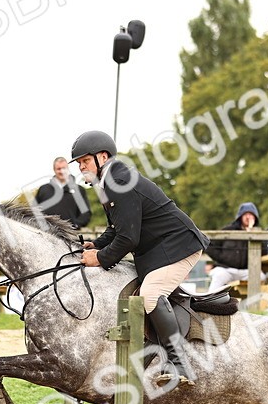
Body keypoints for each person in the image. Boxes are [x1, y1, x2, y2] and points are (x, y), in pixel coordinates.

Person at [72, 130, 209, 387]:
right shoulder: (109, 182)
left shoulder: (119, 181)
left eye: (85, 161)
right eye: (79, 163)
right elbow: (117, 229)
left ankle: (180, 365)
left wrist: (100, 258)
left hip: (179, 246)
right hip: (159, 249)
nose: (81, 167)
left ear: (103, 156)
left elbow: (128, 240)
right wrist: (96, 244)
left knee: (150, 295)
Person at [206, 202, 260, 293]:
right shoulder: (228, 230)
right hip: (226, 269)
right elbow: (209, 245)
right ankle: (207, 304)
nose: (248, 217)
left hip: (247, 271)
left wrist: (251, 232)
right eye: (246, 214)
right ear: (240, 216)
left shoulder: (259, 234)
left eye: (251, 215)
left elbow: (265, 251)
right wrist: (222, 257)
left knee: (261, 276)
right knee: (219, 276)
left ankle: (256, 306)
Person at [33, 157, 92, 228]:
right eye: (58, 169)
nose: (61, 171)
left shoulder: (79, 190)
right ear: (54, 170)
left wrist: (75, 225)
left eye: (64, 168)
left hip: (69, 234)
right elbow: (34, 210)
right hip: (46, 233)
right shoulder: (43, 189)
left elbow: (86, 213)